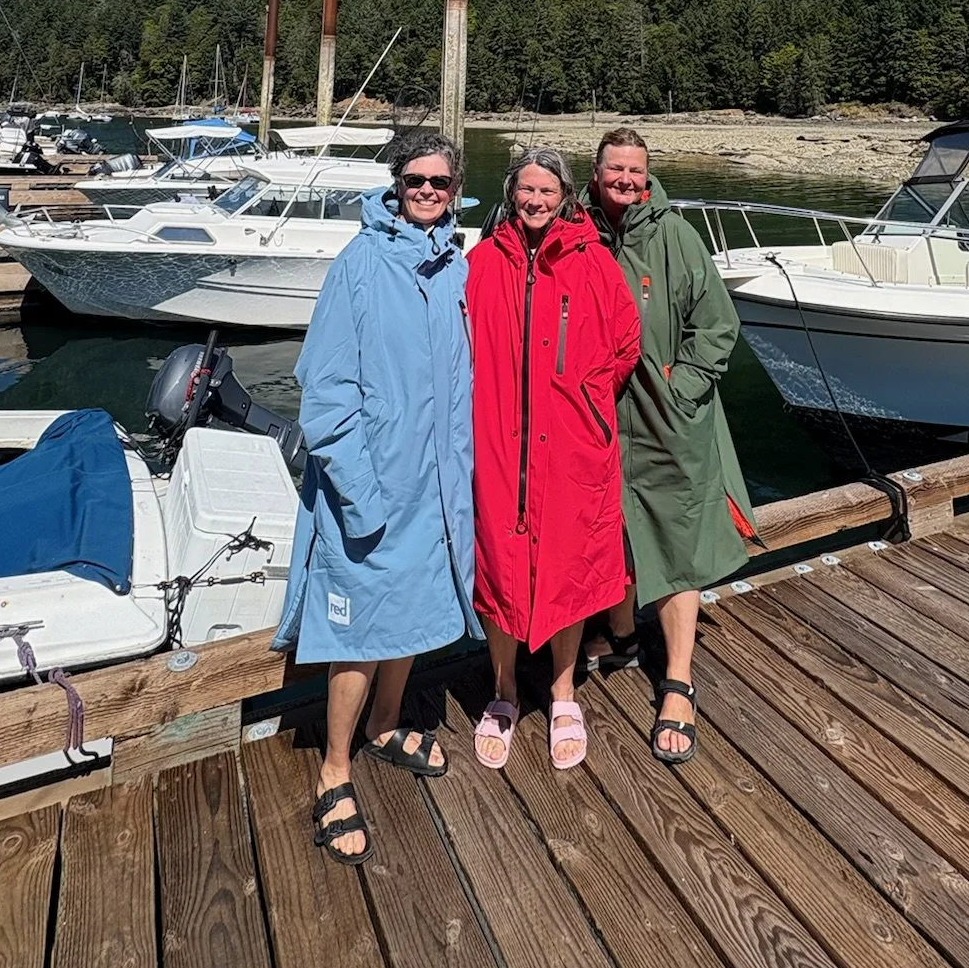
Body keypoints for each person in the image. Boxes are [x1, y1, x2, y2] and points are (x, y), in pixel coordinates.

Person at [272, 128, 476, 864]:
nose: (427, 191)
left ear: (456, 188)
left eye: (440, 182)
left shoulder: (457, 266)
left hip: (439, 488)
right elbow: (324, 396)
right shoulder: (359, 264)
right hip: (374, 488)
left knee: (415, 613)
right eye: (415, 180)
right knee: (357, 633)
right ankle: (334, 769)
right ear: (396, 185)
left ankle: (388, 723)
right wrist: (359, 494)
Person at [581, 129, 758, 764]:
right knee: (611, 532)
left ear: (647, 175)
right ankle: (622, 634)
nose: (626, 180)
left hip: (669, 419)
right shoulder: (579, 232)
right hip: (597, 418)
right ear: (595, 172)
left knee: (678, 540)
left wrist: (682, 386)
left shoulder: (677, 237)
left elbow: (718, 325)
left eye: (636, 170)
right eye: (615, 170)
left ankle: (677, 680)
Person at [466, 148, 640, 771]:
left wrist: (586, 402)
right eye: (525, 191)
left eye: (546, 192)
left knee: (568, 567)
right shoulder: (483, 262)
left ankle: (564, 690)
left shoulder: (593, 261)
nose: (535, 202)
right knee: (500, 567)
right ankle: (505, 689)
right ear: (511, 196)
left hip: (572, 447)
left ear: (565, 196)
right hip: (499, 447)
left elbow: (624, 345)